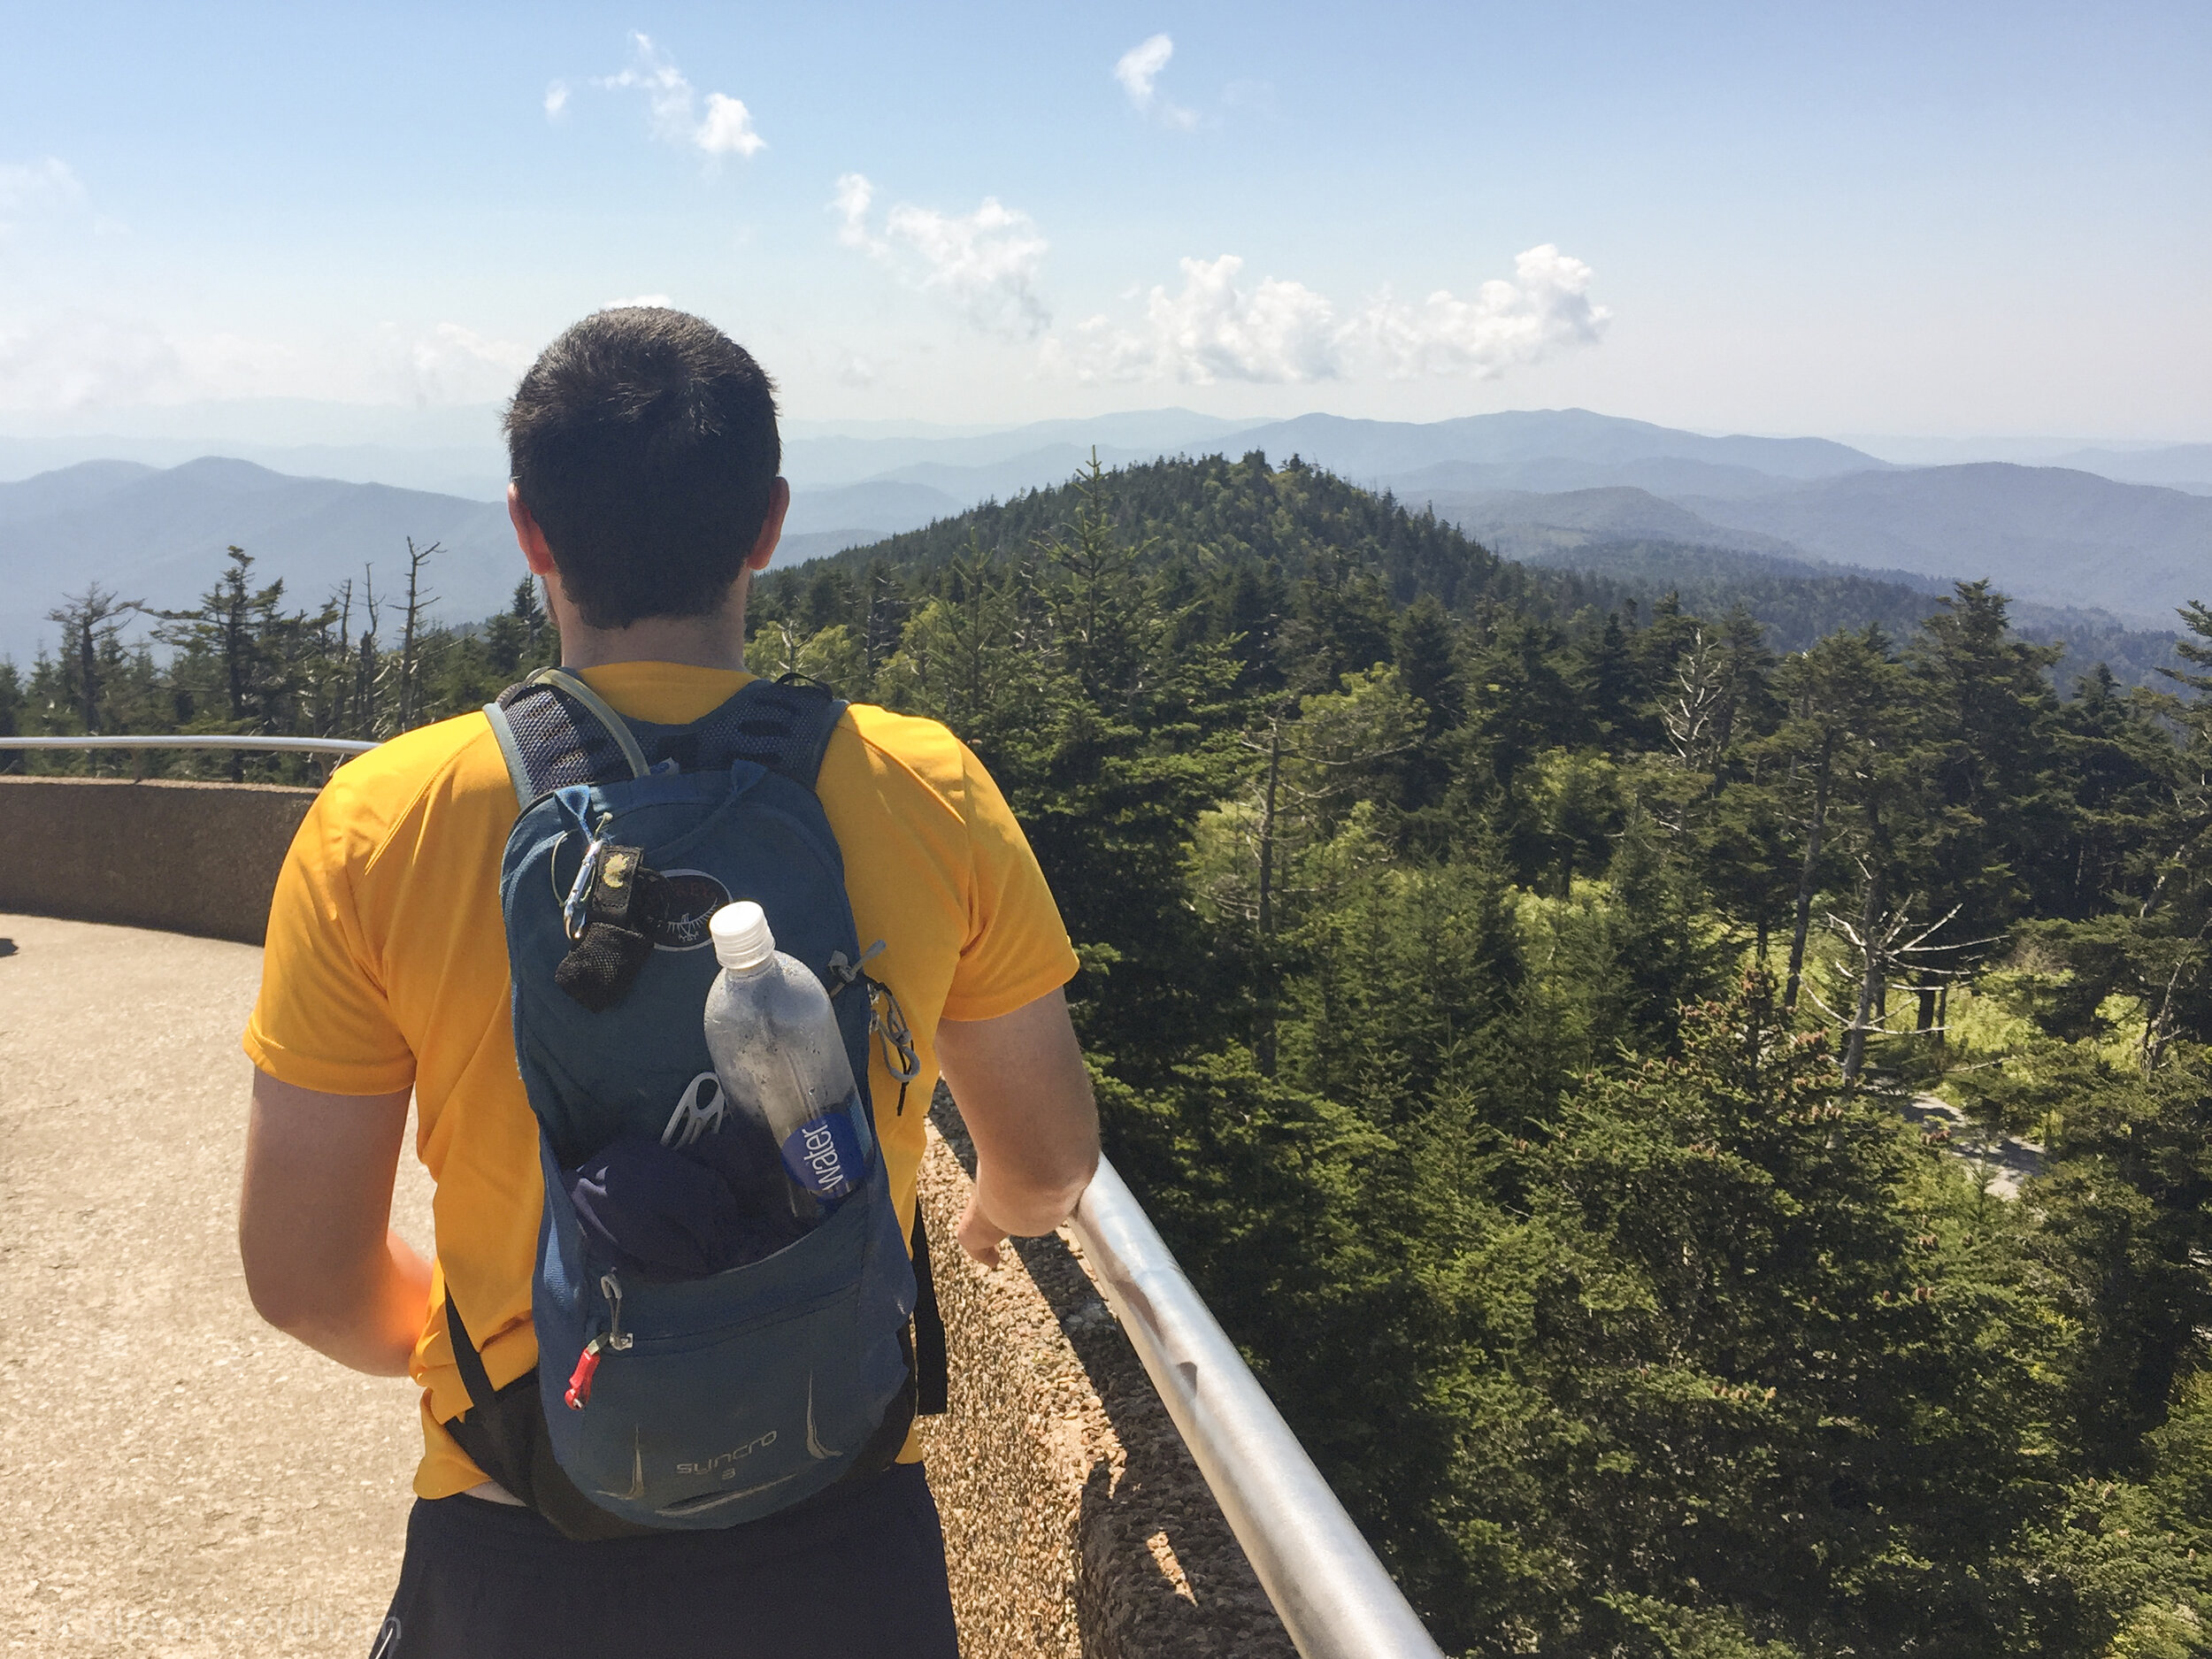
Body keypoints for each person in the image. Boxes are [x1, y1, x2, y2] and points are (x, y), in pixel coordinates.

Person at [237, 307, 1101, 1658]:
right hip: (841, 1513)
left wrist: (505, 1357)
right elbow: (1046, 1160)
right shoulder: (925, 787)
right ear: (768, 522)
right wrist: (994, 1217)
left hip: (519, 1517)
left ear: (530, 532)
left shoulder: (379, 821)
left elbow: (303, 1275)